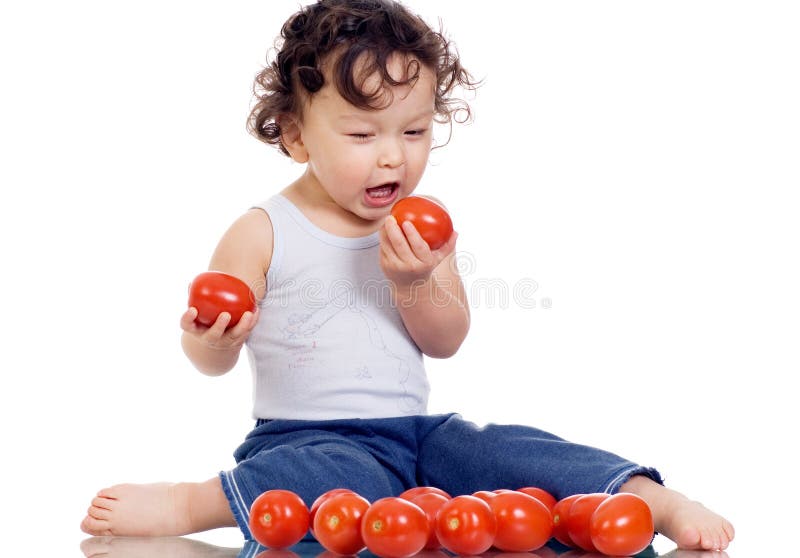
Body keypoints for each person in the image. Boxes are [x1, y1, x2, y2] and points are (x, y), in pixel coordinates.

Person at [80, 0, 734, 551]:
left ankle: (649, 500)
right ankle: (194, 505)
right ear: (297, 136)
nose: (394, 155)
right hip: (307, 436)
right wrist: (214, 338)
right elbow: (208, 356)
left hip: (414, 432)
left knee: (500, 449)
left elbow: (445, 339)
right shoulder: (263, 230)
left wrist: (417, 281)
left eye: (415, 130)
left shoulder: (423, 225)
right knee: (327, 478)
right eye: (363, 135)